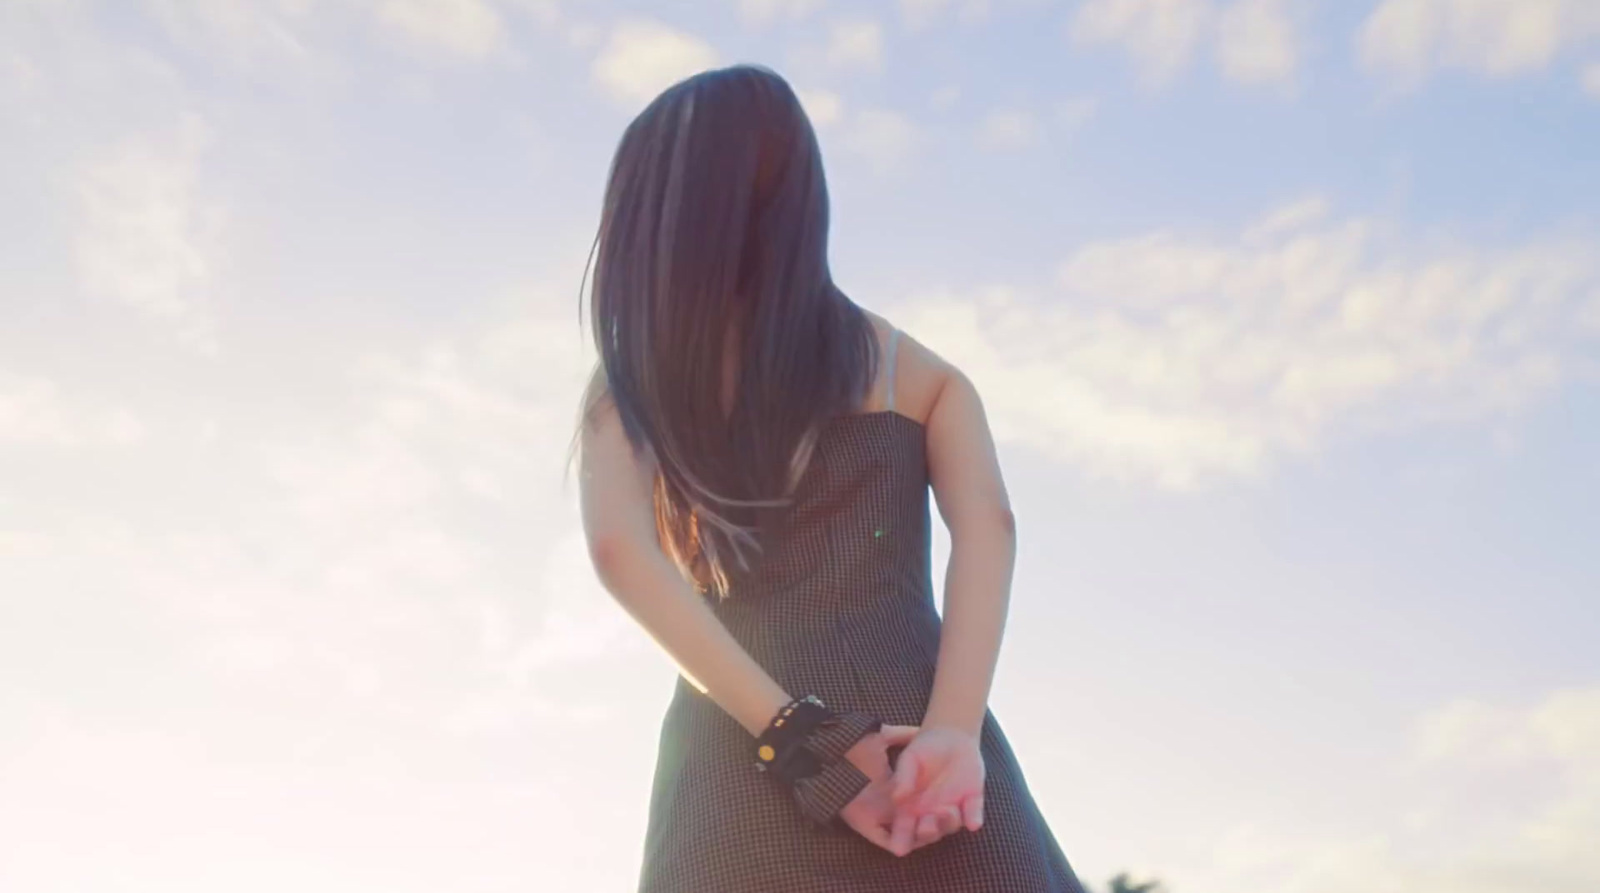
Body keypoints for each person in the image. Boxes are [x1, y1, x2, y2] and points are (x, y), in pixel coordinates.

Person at [575, 64, 1088, 892]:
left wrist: (799, 736)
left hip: (734, 765)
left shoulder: (637, 377)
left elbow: (617, 550)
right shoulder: (912, 372)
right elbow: (990, 529)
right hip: (923, 761)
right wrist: (953, 735)